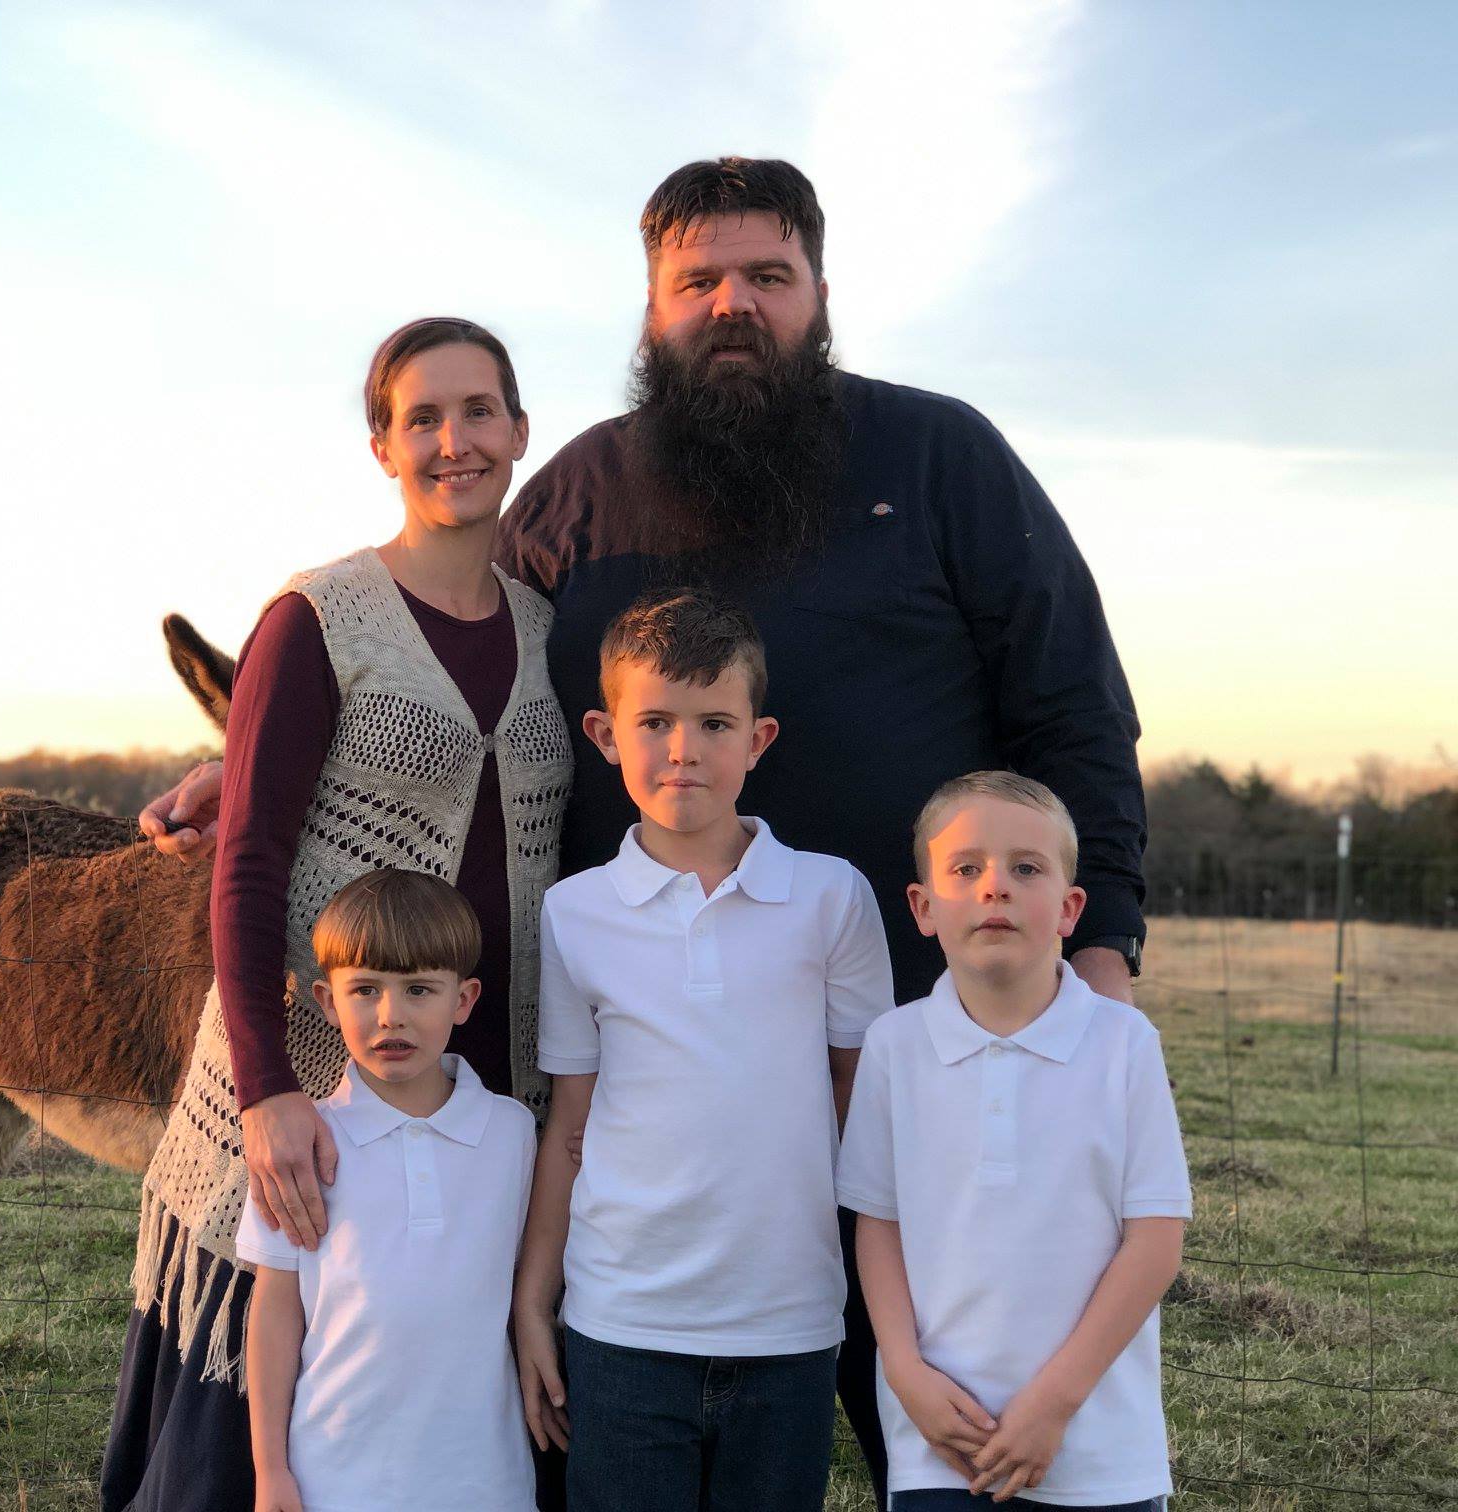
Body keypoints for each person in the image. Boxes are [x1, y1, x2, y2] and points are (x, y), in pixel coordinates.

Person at [140, 157, 1149, 1503]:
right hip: (644, 1065)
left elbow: (1073, 702)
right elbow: (440, 650)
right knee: (640, 1414)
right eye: (699, 282)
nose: (734, 304)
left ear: (822, 295)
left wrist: (1108, 944)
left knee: (958, 1400)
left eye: (767, 277)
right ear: (653, 310)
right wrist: (257, 747)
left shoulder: (944, 458)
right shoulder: (577, 496)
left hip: (921, 1028)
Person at [100, 317, 572, 1511]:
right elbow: (248, 861)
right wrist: (266, 1094)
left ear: (520, 433)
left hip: (478, 1100)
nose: (454, 441)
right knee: (260, 1432)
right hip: (315, 1083)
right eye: (423, 418)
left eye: (479, 413)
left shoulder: (550, 633)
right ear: (382, 445)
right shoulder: (320, 618)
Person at [512, 589, 895, 1511]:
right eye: (656, 722)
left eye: (714, 722)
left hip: (791, 1323)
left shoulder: (831, 898)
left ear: (758, 739)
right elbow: (571, 1125)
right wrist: (534, 1299)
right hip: (620, 1323)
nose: (683, 750)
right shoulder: (575, 912)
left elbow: (867, 1109)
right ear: (606, 735)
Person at [836, 772, 1189, 1510]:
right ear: (923, 907)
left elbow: (1155, 1240)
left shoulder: (1123, 1044)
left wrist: (1055, 1404)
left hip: (1096, 1449)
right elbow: (879, 1225)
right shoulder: (895, 1047)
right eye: (966, 868)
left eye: (1025, 868)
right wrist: (904, 1373)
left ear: (1069, 908)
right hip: (940, 1442)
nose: (994, 886)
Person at [239, 869, 537, 1512]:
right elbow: (275, 1311)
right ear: (327, 1000)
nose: (391, 1014)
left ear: (464, 1000)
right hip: (333, 1478)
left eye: (420, 989)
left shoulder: (512, 1134)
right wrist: (270, 1470)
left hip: (484, 1480)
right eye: (365, 989)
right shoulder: (303, 1146)